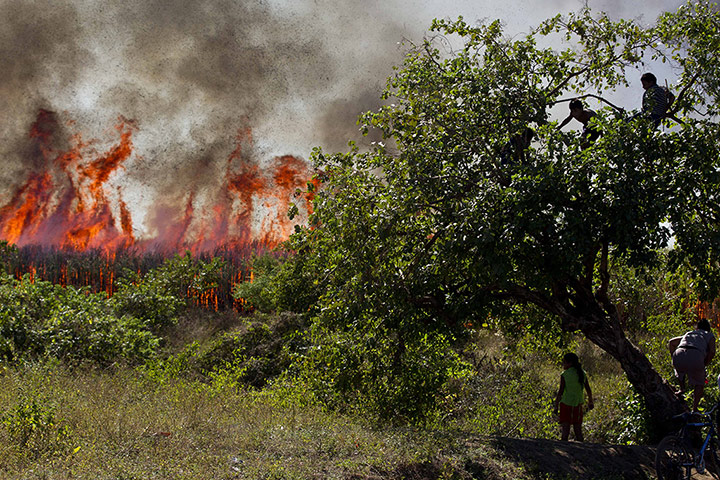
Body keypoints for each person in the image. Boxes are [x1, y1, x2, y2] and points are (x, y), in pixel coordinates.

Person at [668, 319, 716, 412]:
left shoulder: (690, 333)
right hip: (696, 356)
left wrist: (673, 357)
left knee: (680, 371)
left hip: (679, 353)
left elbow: (671, 342)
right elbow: (712, 351)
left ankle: (682, 389)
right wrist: (705, 363)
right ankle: (694, 409)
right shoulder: (709, 335)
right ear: (708, 329)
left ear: (697, 327)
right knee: (699, 383)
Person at [553, 352, 594, 442]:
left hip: (566, 404)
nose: (563, 364)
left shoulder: (565, 374)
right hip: (577, 405)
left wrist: (556, 406)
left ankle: (563, 452)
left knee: (565, 432)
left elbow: (560, 392)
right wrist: (590, 402)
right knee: (578, 431)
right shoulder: (582, 373)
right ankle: (583, 452)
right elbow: (588, 390)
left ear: (570, 363)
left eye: (564, 362)